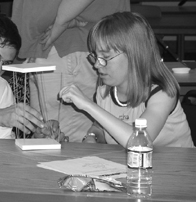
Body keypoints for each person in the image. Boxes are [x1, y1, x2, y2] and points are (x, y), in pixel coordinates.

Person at [12, 0, 130, 142]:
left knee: (70, 152)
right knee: (45, 144)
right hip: (49, 44)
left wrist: (61, 22)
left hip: (69, 41)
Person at [59, 12, 194, 148]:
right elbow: (101, 127)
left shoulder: (162, 93)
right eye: (95, 56)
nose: (96, 64)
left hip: (178, 167)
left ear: (134, 56)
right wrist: (92, 137)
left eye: (105, 57)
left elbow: (138, 143)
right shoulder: (104, 92)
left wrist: (88, 105)